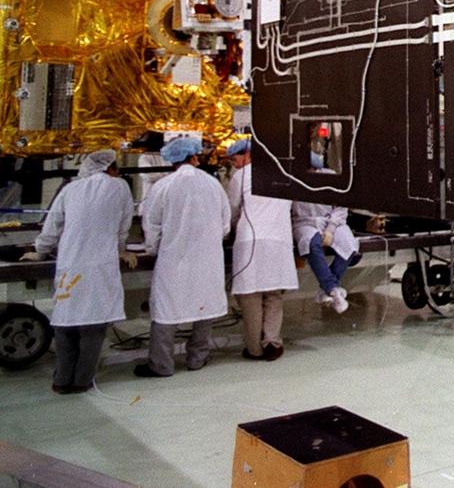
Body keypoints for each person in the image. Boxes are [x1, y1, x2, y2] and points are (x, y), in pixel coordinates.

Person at [19, 149, 135, 394]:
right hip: (100, 266)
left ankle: (61, 381)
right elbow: (124, 225)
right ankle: (82, 380)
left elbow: (51, 226)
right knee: (92, 327)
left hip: (70, 264)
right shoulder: (120, 187)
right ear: (111, 168)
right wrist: (122, 249)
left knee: (65, 324)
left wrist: (40, 251)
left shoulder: (70, 190)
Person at [134, 137, 230, 378]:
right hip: (208, 258)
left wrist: (152, 247)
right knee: (203, 306)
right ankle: (197, 358)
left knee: (166, 311)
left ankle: (161, 365)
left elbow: (152, 224)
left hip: (173, 258)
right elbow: (225, 224)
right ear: (194, 157)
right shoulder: (213, 184)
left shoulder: (163, 186)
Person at [225, 139, 297, 361]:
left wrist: (231, 228)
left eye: (235, 159)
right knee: (274, 294)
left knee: (251, 297)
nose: (235, 165)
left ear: (247, 154)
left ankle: (255, 349)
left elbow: (232, 209)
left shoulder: (241, 176)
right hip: (279, 239)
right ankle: (273, 342)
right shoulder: (284, 173)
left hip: (251, 241)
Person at [293, 200, 360, 314]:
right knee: (312, 244)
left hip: (331, 221)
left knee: (349, 245)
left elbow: (341, 205)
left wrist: (330, 230)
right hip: (303, 222)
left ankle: (326, 289)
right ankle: (333, 290)